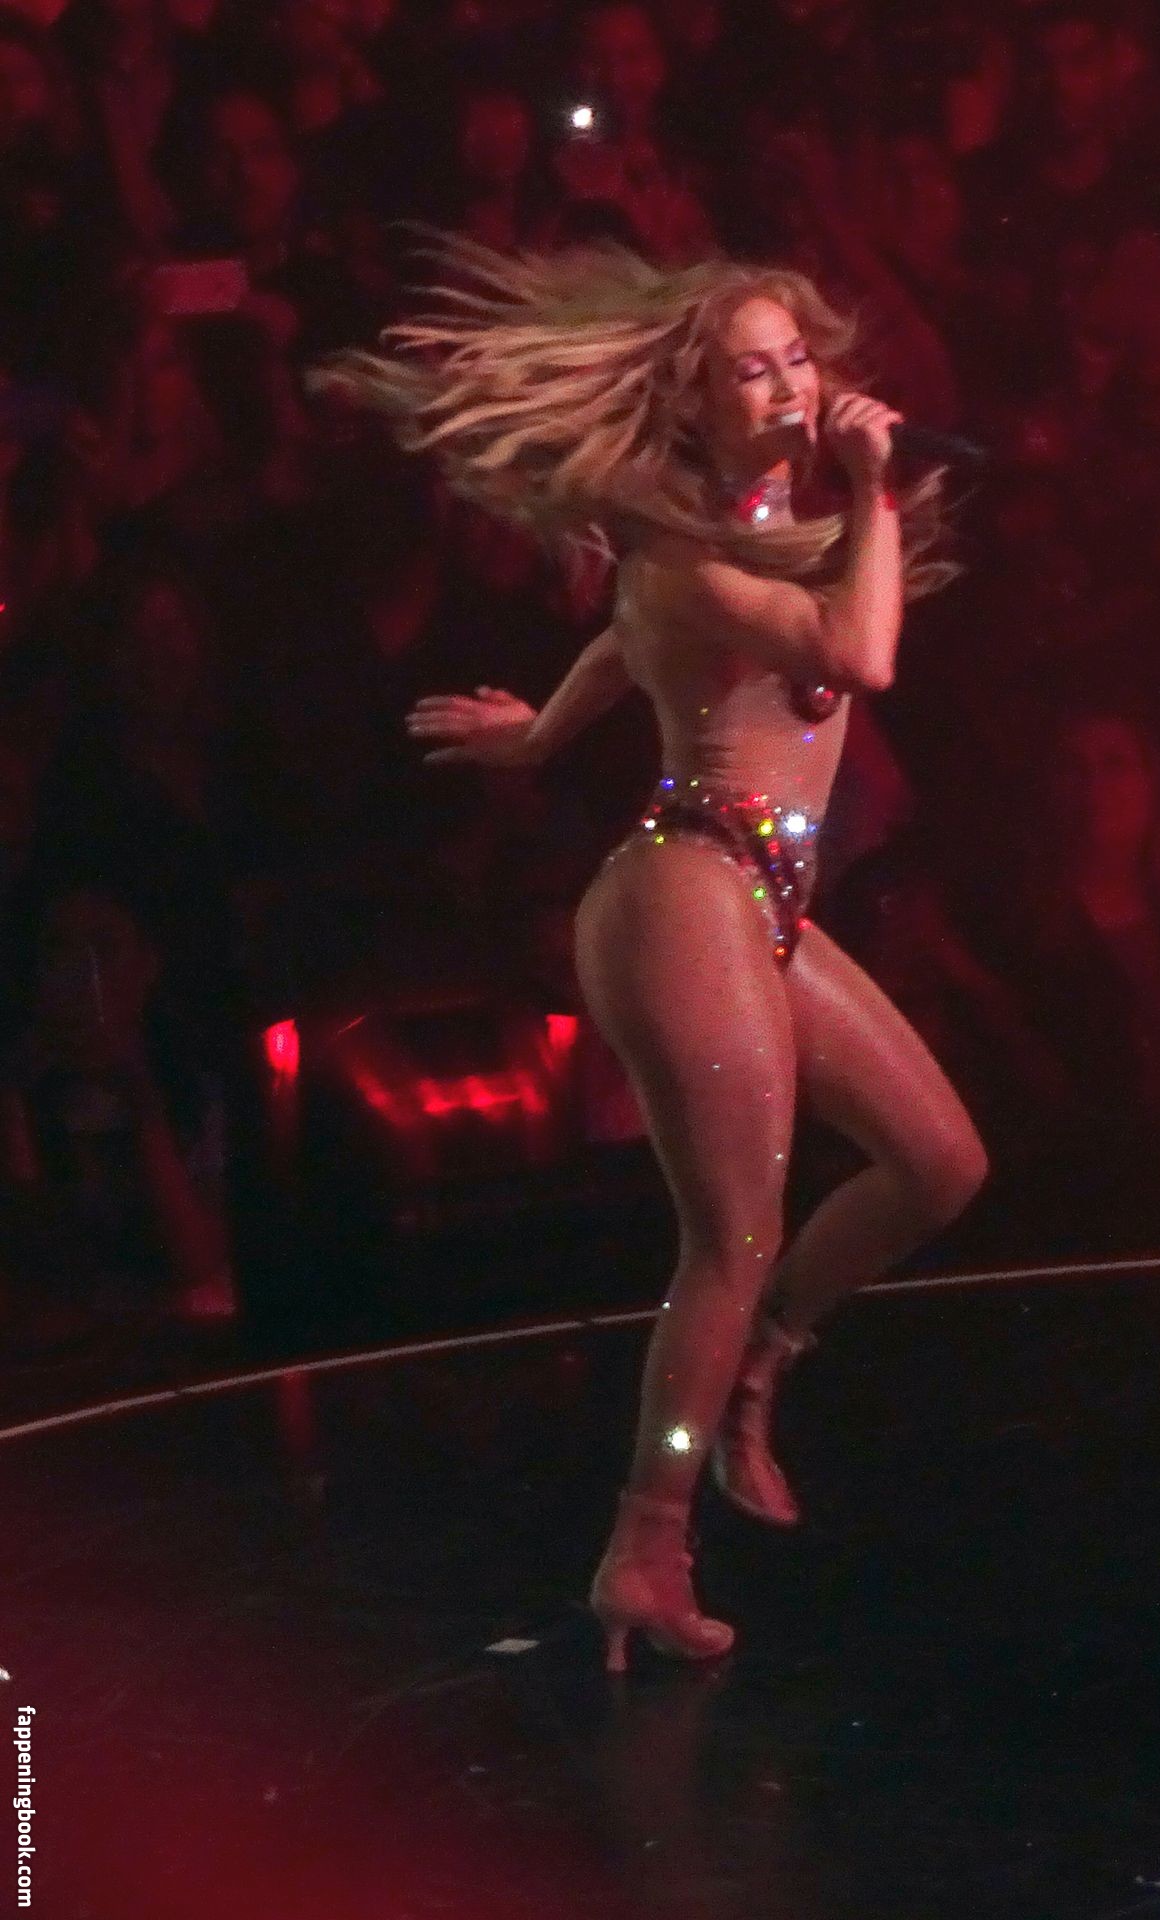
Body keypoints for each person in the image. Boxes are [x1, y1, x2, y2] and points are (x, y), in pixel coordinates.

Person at [314, 239, 988, 1670]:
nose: (788, 388)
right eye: (751, 371)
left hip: (757, 897)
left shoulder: (741, 543)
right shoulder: (690, 558)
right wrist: (873, 494)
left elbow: (625, 646)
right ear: (694, 402)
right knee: (731, 1234)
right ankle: (645, 1543)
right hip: (684, 891)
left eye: (797, 360)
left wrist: (540, 735)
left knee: (939, 1164)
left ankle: (758, 1366)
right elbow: (854, 657)